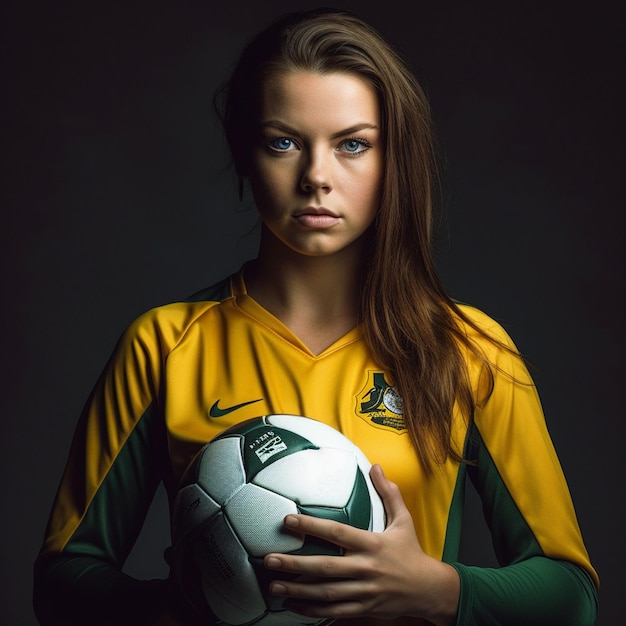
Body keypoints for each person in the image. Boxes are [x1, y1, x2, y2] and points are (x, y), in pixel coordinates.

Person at [33, 7, 599, 625]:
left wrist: (437, 591)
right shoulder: (165, 346)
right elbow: (63, 579)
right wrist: (188, 605)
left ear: (393, 163)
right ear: (245, 155)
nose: (317, 178)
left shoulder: (468, 349)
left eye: (353, 144)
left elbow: (570, 596)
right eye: (284, 142)